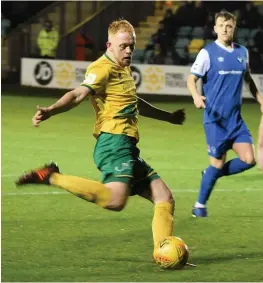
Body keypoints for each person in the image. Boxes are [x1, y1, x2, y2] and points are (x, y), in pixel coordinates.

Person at [16, 19, 186, 257]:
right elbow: (78, 94)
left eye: (131, 47)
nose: (128, 51)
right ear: (109, 44)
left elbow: (133, 104)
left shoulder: (123, 68)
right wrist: (51, 110)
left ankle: (163, 252)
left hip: (127, 145)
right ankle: (52, 177)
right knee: (116, 200)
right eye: (123, 46)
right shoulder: (102, 68)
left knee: (164, 197)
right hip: (114, 142)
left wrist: (167, 117)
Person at [187, 11, 263, 217]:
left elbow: (248, 80)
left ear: (234, 28)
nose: (225, 29)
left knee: (249, 159)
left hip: (235, 121)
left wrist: (261, 99)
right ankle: (199, 206)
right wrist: (196, 96)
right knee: (218, 162)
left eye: (229, 26)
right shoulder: (207, 53)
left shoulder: (242, 52)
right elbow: (191, 79)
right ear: (215, 29)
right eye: (221, 25)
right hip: (215, 121)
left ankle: (211, 174)